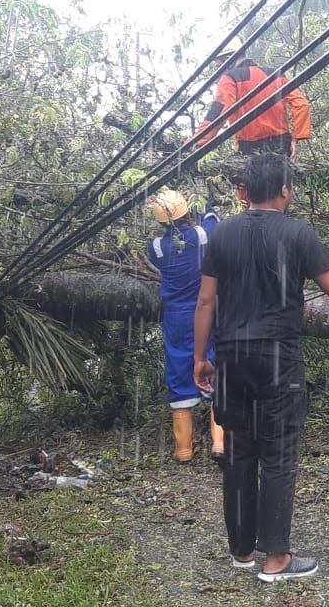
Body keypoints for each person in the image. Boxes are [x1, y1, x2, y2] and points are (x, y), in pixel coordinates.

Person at [192, 153, 329, 582]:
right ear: (284, 190)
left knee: (239, 452)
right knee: (279, 454)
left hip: (231, 357)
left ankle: (243, 549)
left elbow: (206, 301)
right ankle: (277, 559)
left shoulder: (221, 234)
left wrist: (199, 357)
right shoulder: (297, 232)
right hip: (277, 359)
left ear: (245, 189)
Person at [146, 188, 222, 464]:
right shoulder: (201, 236)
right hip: (203, 309)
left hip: (175, 316)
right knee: (212, 366)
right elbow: (213, 219)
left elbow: (158, 260)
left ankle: (183, 451)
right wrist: (202, 198)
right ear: (188, 212)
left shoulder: (155, 246)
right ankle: (219, 444)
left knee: (178, 368)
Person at [191, 36, 312, 159]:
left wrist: (198, 141)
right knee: (280, 178)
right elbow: (301, 104)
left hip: (250, 149)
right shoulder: (274, 75)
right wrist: (296, 138)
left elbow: (219, 111)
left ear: (228, 59)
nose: (219, 70)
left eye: (219, 65)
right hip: (281, 145)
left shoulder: (229, 78)